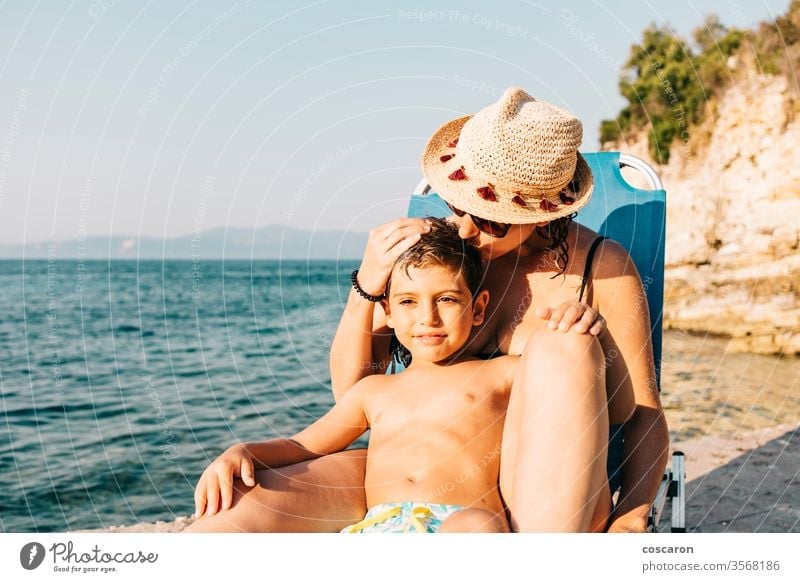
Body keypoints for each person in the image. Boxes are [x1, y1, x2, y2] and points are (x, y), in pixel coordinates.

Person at [186, 87, 669, 533]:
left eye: (486, 217)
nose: (463, 228)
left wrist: (634, 512)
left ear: (544, 213)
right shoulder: (440, 251)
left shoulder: (602, 269)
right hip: (418, 471)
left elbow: (641, 412)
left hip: (538, 485)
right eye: (457, 203)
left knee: (566, 342)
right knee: (237, 510)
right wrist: (367, 286)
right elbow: (356, 393)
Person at [193, 219, 516, 533]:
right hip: (382, 527)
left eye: (446, 299)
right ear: (388, 312)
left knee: (478, 525)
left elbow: (562, 387)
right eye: (408, 302)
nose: (427, 318)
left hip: (460, 522)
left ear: (477, 308)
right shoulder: (373, 391)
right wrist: (244, 451)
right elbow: (304, 445)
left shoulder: (501, 373)